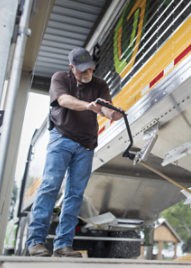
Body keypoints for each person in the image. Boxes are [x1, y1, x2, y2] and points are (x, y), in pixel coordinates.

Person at [26, 47, 124, 257]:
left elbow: (105, 107)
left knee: (75, 195)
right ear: (72, 68)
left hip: (87, 144)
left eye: (90, 69)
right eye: (82, 70)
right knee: (50, 186)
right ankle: (36, 242)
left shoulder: (100, 84)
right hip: (62, 138)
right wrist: (88, 106)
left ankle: (63, 245)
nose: (87, 73)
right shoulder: (60, 78)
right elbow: (63, 100)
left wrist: (112, 114)